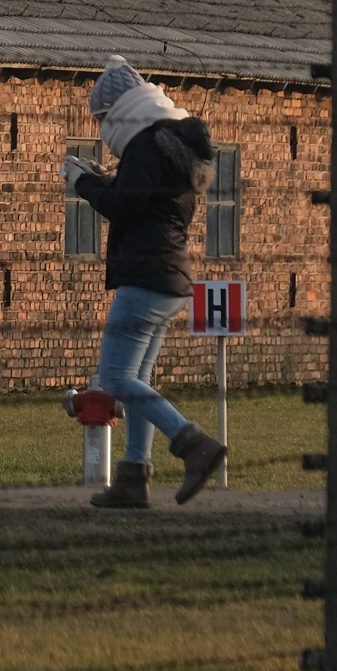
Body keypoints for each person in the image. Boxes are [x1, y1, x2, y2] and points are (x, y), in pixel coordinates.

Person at [64, 56, 228, 508]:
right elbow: (146, 200)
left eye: (101, 118)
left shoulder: (144, 143)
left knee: (116, 378)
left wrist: (83, 184)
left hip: (145, 275)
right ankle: (133, 477)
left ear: (119, 109)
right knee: (137, 377)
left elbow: (126, 207)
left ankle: (193, 443)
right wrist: (106, 180)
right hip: (169, 276)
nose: (101, 128)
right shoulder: (169, 143)